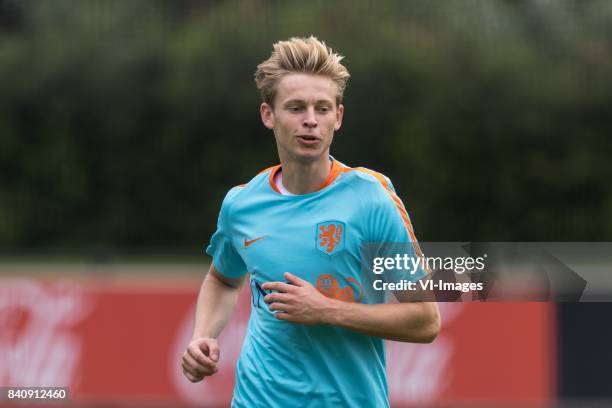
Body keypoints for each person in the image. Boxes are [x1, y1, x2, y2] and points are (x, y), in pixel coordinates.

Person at [182, 36, 440, 407]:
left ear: (339, 116)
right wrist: (202, 335)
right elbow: (223, 278)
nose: (310, 121)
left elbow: (425, 319)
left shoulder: (372, 199)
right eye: (296, 107)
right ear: (268, 115)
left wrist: (326, 310)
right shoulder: (242, 205)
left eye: (322, 108)